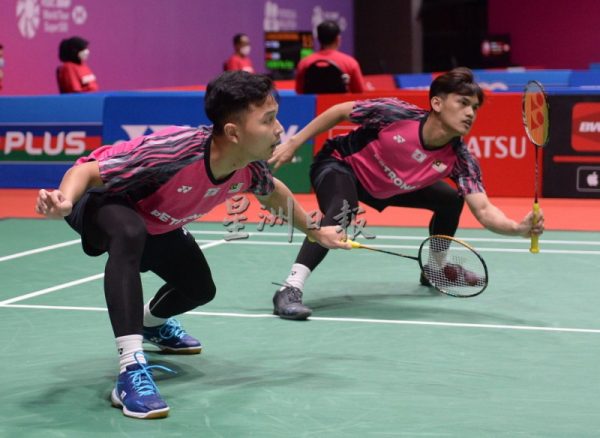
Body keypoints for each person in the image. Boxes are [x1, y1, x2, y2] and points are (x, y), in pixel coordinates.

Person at [35, 71, 349, 419]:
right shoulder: (175, 152)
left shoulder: (248, 167)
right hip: (97, 199)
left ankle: (151, 323)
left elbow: (273, 193)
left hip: (155, 218)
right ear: (233, 132)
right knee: (129, 232)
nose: (279, 130)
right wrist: (64, 201)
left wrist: (316, 232)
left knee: (199, 288)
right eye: (268, 120)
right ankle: (131, 370)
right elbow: (87, 172)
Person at [269, 67, 545, 320]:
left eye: (474, 107)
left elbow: (483, 210)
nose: (470, 113)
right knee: (343, 208)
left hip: (391, 186)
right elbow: (341, 111)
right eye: (462, 103)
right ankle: (290, 287)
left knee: (450, 200)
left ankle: (434, 269)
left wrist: (517, 228)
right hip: (342, 164)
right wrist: (294, 143)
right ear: (437, 103)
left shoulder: (460, 159)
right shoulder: (396, 114)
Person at [295, 20, 365, 94]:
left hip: (314, 102)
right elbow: (360, 93)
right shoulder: (350, 63)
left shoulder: (304, 63)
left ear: (318, 39)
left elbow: (299, 92)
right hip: (340, 101)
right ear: (337, 39)